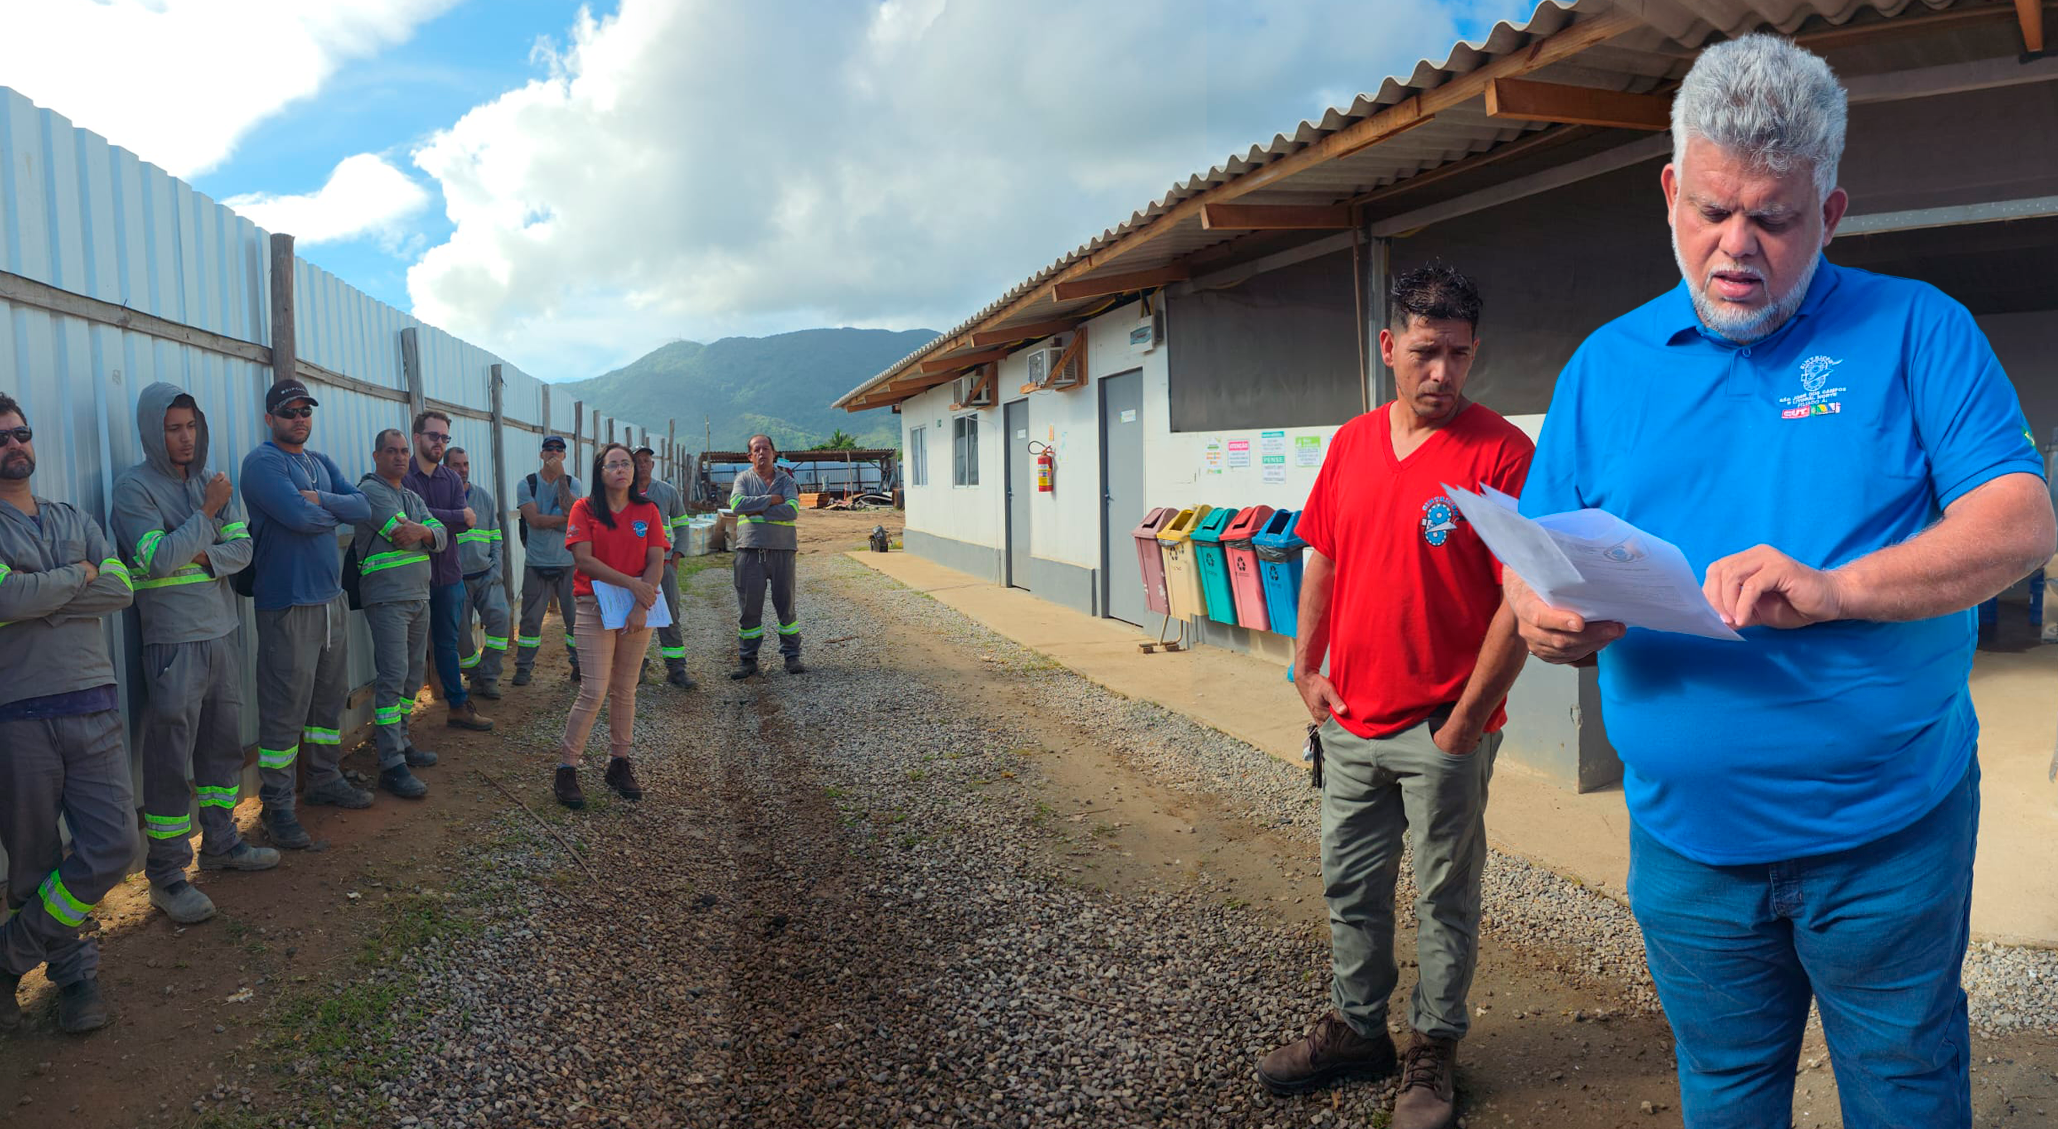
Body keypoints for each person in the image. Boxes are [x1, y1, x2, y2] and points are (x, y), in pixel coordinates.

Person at [1509, 36, 2056, 1129]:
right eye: (1713, 210)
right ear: (1670, 191)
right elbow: (1539, 561)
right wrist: (1544, 620)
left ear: (1833, 212)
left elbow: (2020, 520)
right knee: (1726, 1094)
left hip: (1888, 840)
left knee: (1904, 1092)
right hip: (1687, 848)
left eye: (1774, 217)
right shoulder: (1602, 370)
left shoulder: (1917, 330)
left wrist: (1839, 589)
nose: (1736, 247)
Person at [1257, 266, 1533, 1129]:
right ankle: (1357, 1028)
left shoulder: (1501, 456)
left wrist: (1459, 726)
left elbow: (1520, 601)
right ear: (1389, 349)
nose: (1442, 372)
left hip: (1443, 726)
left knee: (1444, 895)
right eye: (1424, 352)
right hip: (1349, 722)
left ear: (1474, 351)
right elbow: (1323, 555)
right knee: (1351, 884)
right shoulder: (1349, 446)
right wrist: (1307, 668)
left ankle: (1434, 1049)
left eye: (1458, 354)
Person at [110, 383, 278, 925]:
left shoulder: (211, 480)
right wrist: (207, 517)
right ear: (153, 432)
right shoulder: (134, 489)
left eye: (191, 427)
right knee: (168, 757)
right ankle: (165, 873)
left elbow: (244, 547)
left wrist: (203, 553)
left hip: (220, 631)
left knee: (221, 749)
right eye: (173, 428)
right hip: (172, 642)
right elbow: (157, 559)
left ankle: (223, 843)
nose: (185, 438)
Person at [0, 390, 135, 1034]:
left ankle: (7, 958)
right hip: (16, 714)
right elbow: (4, 599)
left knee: (113, 844)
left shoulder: (75, 517)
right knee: (31, 860)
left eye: (19, 432)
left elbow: (120, 588)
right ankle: (76, 979)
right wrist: (71, 579)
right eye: (0, 437)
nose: (13, 444)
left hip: (93, 701)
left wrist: (35, 596)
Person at [241, 379, 374, 848]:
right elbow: (298, 518)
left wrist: (325, 504)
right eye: (289, 411)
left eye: (304, 411)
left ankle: (322, 778)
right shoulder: (262, 463)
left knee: (324, 704)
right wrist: (326, 509)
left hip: (330, 599)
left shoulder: (318, 463)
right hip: (288, 605)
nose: (299, 418)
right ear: (269, 418)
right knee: (283, 712)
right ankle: (277, 808)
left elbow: (364, 507)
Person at [551, 442, 667, 810]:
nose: (622, 469)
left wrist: (639, 603)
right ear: (600, 471)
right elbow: (583, 560)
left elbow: (656, 558)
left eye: (627, 464)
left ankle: (619, 763)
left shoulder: (647, 510)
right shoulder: (584, 509)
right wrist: (633, 586)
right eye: (614, 464)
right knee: (594, 690)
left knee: (626, 689)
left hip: (637, 608)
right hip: (594, 605)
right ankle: (566, 768)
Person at [354, 429, 447, 800]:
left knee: (411, 676)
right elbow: (398, 533)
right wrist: (424, 531)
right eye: (391, 451)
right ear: (376, 456)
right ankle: (391, 764)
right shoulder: (370, 491)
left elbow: (440, 537)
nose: (399, 457)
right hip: (387, 598)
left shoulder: (410, 495)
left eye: (404, 451)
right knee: (393, 677)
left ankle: (403, 739)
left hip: (417, 596)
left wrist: (423, 529)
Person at [402, 411, 492, 732]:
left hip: (449, 576)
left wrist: (427, 520)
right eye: (433, 436)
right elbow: (408, 518)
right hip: (412, 579)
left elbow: (461, 524)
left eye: (444, 438)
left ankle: (457, 706)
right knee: (407, 651)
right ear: (417, 437)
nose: (439, 443)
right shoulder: (404, 477)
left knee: (447, 644)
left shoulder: (451, 479)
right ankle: (402, 721)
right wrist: (454, 516)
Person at [730, 434, 803, 678]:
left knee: (786, 606)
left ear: (774, 453)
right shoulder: (743, 479)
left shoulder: (786, 481)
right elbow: (738, 505)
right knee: (749, 608)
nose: (762, 453)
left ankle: (792, 657)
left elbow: (792, 510)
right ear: (749, 456)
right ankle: (748, 661)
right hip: (750, 551)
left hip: (783, 552)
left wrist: (757, 508)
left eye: (766, 448)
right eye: (756, 449)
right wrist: (771, 500)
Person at [445, 446, 511, 700]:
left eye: (465, 464)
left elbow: (496, 535)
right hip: (456, 580)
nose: (462, 470)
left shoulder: (482, 496)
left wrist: (496, 567)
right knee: (461, 634)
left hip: (486, 575)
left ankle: (490, 675)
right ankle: (475, 677)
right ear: (445, 468)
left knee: (501, 618)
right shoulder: (442, 498)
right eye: (456, 465)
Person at [515, 435, 582, 686]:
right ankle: (523, 667)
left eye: (559, 450)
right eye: (549, 449)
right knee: (531, 620)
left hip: (567, 563)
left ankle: (579, 665)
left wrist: (561, 477)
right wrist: (563, 521)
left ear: (564, 456)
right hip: (537, 563)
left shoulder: (573, 482)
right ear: (541, 454)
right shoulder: (527, 484)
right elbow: (534, 520)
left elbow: (571, 512)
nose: (554, 453)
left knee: (574, 619)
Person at [634, 445, 696, 689]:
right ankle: (637, 666)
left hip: (665, 564)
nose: (642, 465)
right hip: (634, 569)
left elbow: (682, 524)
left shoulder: (667, 492)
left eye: (646, 460)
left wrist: (677, 555)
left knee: (669, 616)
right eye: (636, 461)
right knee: (636, 617)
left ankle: (676, 669)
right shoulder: (623, 493)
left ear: (653, 464)